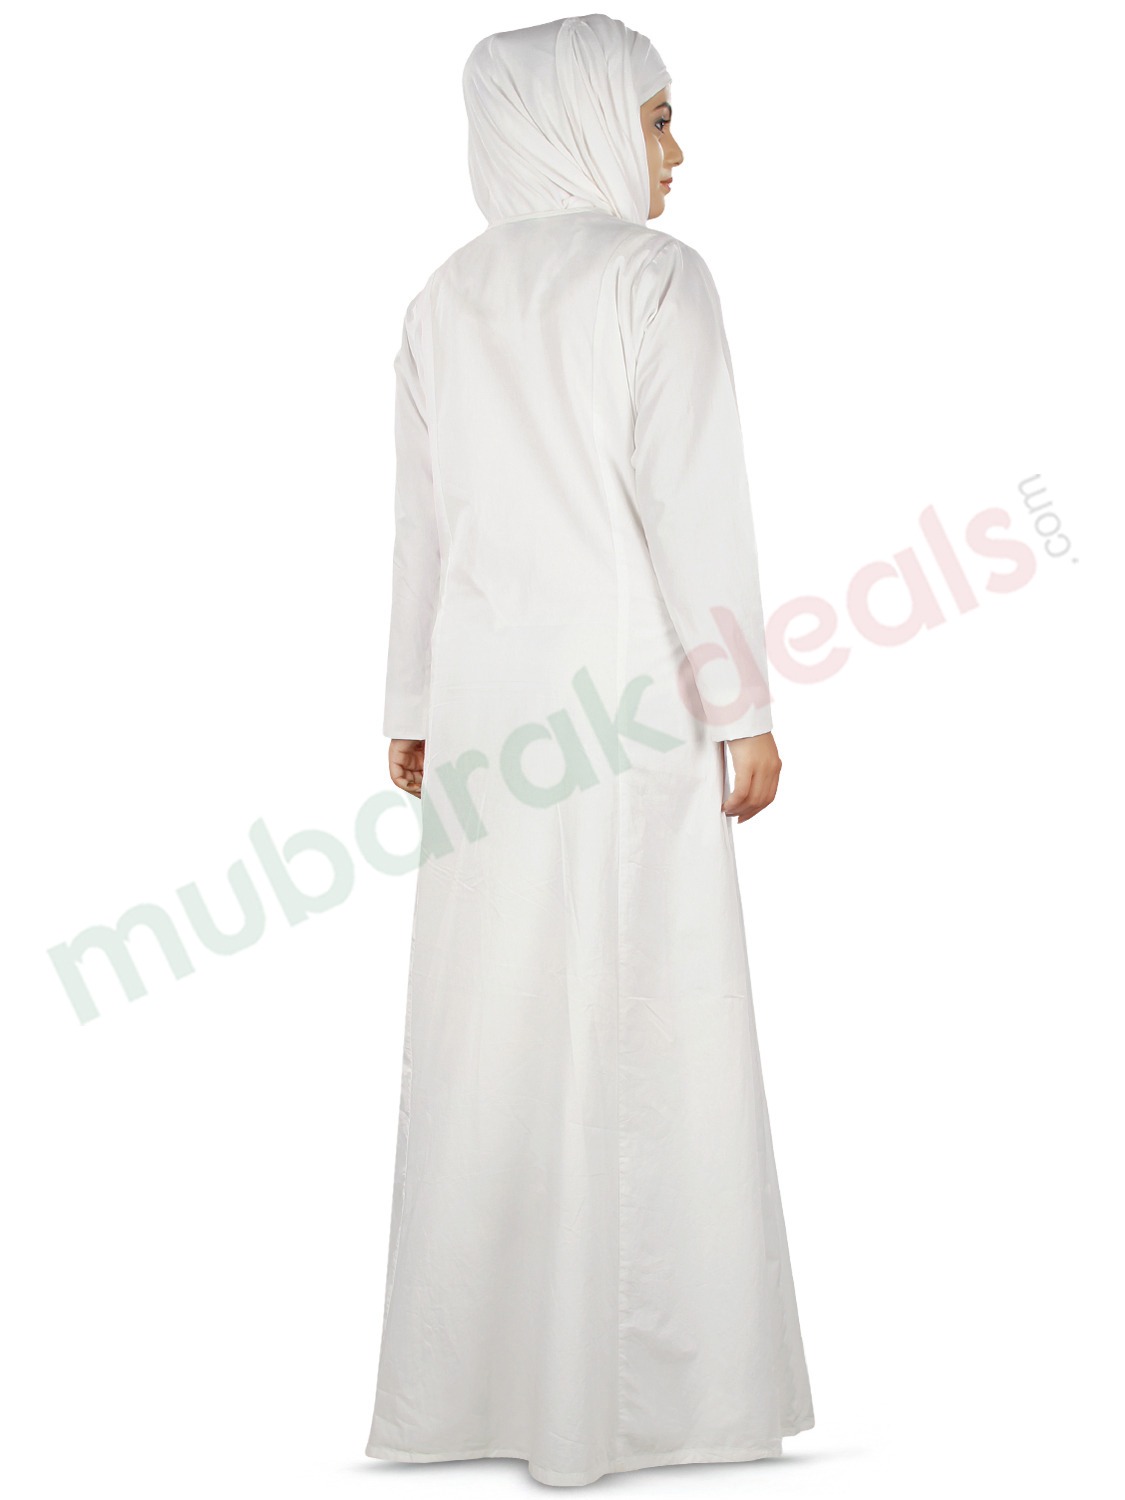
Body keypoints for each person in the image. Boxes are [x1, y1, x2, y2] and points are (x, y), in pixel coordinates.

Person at [365, 13, 814, 1487]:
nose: (678, 152)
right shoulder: (651, 278)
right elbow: (693, 503)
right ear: (575, 117)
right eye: (658, 116)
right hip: (624, 707)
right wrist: (742, 708)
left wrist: (410, 703)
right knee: (647, 1010)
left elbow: (424, 525)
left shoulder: (444, 296)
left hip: (489, 712)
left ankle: (481, 1386)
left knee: (492, 1018)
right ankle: (647, 1396)